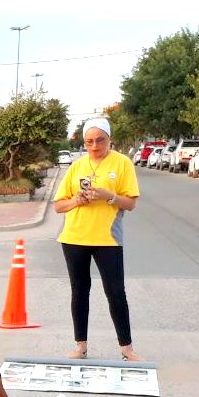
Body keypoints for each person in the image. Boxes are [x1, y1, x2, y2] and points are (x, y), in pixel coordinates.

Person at [53, 117, 142, 361]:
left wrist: (108, 196)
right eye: (89, 141)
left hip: (108, 240)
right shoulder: (77, 166)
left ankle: (127, 348)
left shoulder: (122, 163)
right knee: (79, 291)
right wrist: (76, 200)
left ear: (109, 139)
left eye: (100, 140)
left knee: (115, 292)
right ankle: (80, 345)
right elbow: (59, 206)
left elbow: (131, 203)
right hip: (74, 237)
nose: (94, 146)